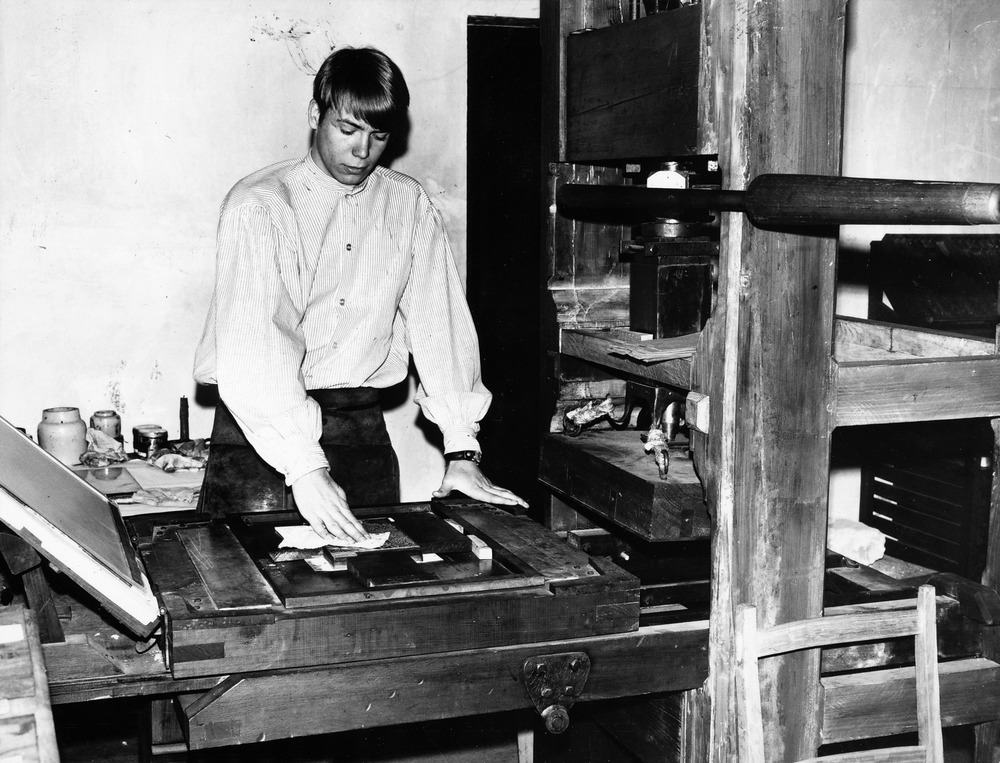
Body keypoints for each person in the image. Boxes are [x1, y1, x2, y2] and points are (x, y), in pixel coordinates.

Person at [193, 45, 526, 543]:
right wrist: (305, 468)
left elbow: (442, 325)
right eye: (347, 130)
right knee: (243, 591)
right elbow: (258, 342)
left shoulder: (408, 203)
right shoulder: (260, 205)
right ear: (315, 114)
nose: (361, 151)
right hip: (257, 435)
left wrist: (461, 449)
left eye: (378, 136)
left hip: (359, 429)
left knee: (373, 589)